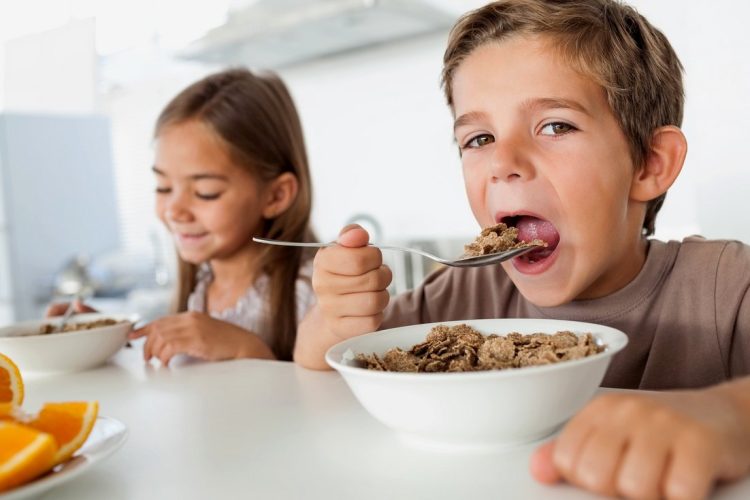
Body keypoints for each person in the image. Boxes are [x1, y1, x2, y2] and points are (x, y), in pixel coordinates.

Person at [293, 1, 750, 498]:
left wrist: (728, 415)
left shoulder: (725, 287)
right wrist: (335, 320)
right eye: (479, 137)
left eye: (555, 126)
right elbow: (320, 374)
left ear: (649, 165)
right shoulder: (461, 294)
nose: (502, 162)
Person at [50, 68, 316, 365]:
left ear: (276, 196)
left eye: (205, 192)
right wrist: (108, 337)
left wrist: (245, 348)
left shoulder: (309, 294)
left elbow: (323, 403)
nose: (174, 210)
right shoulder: (202, 287)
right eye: (163, 187)